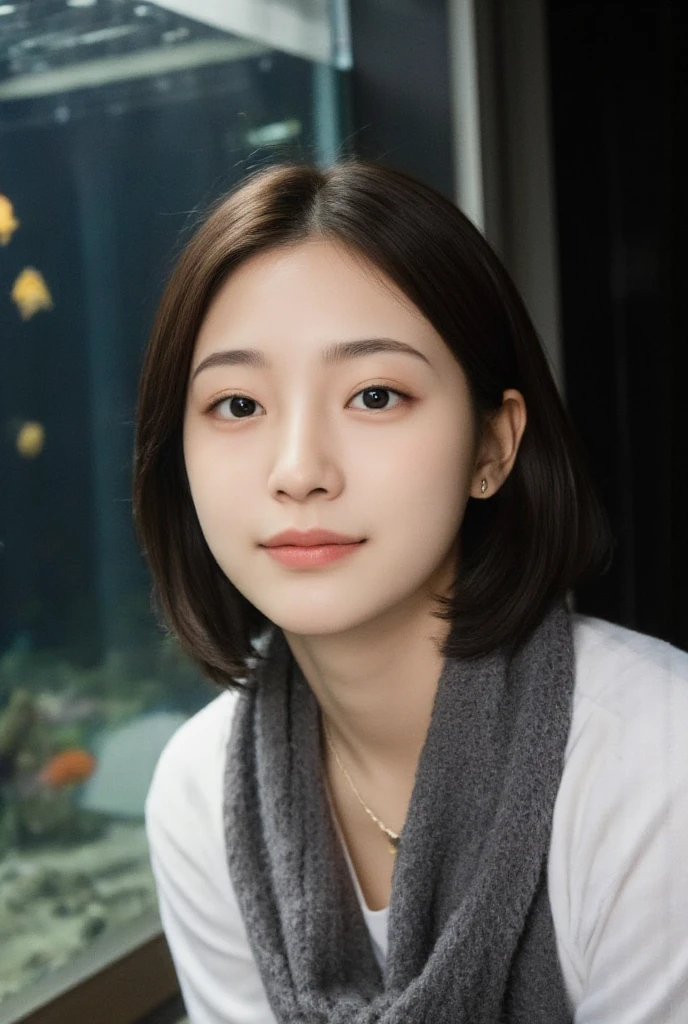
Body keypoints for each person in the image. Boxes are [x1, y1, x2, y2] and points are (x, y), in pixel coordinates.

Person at [134, 161, 688, 1024]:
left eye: (375, 394)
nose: (299, 472)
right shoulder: (200, 792)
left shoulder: (655, 764)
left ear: (492, 447)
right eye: (238, 405)